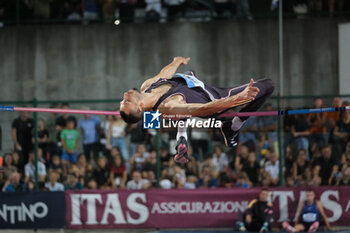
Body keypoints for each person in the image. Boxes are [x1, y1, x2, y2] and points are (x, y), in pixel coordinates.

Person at [120, 57, 274, 164]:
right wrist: (239, 98)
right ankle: (233, 127)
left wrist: (177, 61)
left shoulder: (146, 86)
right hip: (216, 99)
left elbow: (163, 74)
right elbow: (206, 109)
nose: (125, 96)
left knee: (189, 74)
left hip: (191, 85)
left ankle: (183, 132)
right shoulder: (169, 106)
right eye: (127, 101)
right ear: (139, 107)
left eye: (123, 100)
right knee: (268, 85)